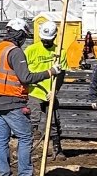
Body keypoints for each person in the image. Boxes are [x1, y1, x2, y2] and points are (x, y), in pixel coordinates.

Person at [0, 18, 57, 176]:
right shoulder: (15, 52)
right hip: (12, 101)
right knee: (25, 137)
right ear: (20, 35)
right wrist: (50, 72)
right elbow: (26, 78)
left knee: (2, 141)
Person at [25, 21, 68, 159]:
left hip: (50, 92)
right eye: (44, 39)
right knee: (32, 121)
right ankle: (26, 150)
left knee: (54, 120)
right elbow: (24, 73)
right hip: (34, 92)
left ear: (55, 37)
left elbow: (61, 75)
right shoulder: (31, 50)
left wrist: (54, 91)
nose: (46, 42)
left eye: (49, 40)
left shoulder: (60, 52)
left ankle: (57, 148)